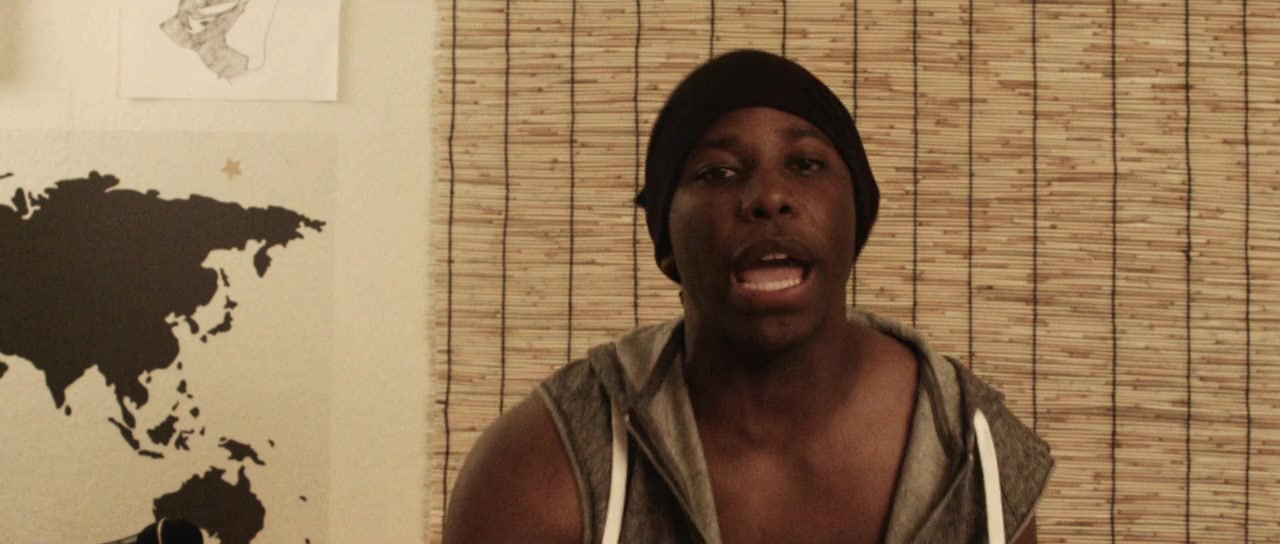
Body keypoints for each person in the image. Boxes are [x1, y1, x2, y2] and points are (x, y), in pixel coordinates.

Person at [444, 49, 1053, 544]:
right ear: (666, 245)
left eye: (806, 164)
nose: (769, 197)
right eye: (718, 172)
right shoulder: (547, 467)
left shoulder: (972, 455)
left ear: (857, 220)